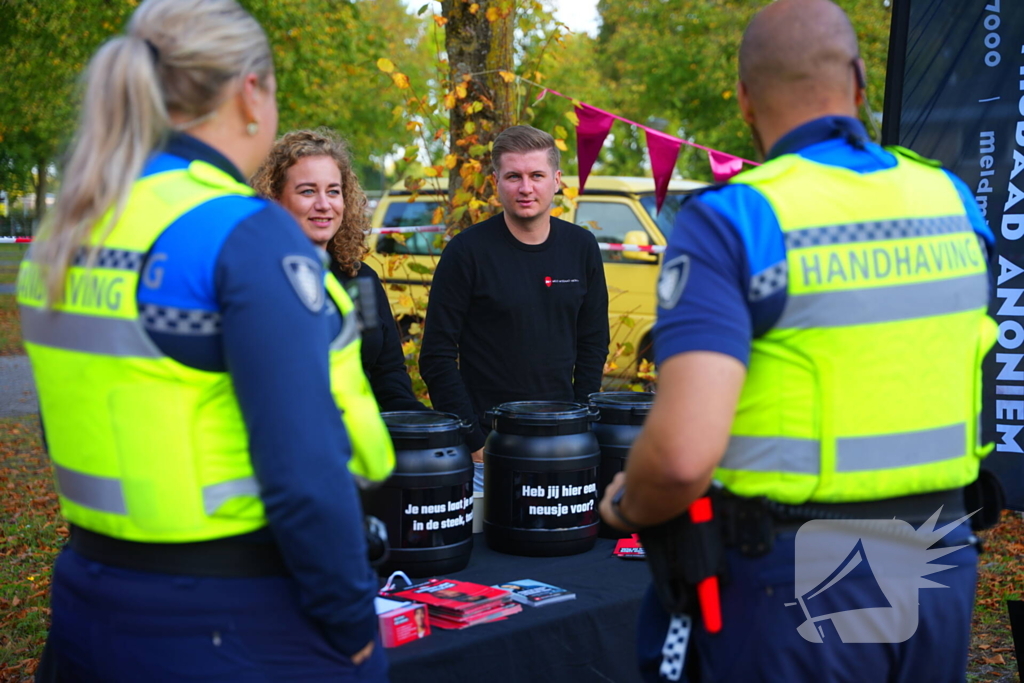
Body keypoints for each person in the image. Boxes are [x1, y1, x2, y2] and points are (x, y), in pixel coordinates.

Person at [599, 1, 996, 681]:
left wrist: (624, 505)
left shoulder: (737, 218)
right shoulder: (952, 200)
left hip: (798, 569)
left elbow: (682, 455)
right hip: (940, 553)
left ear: (746, 100)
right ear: (861, 79)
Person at [17, 1, 389, 680]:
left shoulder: (72, 225)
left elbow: (71, 417)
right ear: (252, 93)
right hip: (231, 615)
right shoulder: (243, 233)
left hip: (88, 597)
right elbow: (304, 467)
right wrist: (352, 624)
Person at [419, 125, 610, 490]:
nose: (526, 188)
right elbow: (437, 355)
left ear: (556, 180)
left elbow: (593, 344)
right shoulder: (466, 253)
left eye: (536, 175)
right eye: (514, 176)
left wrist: (579, 423)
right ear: (495, 181)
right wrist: (473, 441)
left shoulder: (581, 247)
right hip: (487, 449)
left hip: (562, 442)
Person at [251, 128, 426, 412]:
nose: (324, 205)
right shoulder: (254, 281)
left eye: (333, 191)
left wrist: (422, 427)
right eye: (308, 191)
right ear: (275, 199)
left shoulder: (360, 278)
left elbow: (387, 375)